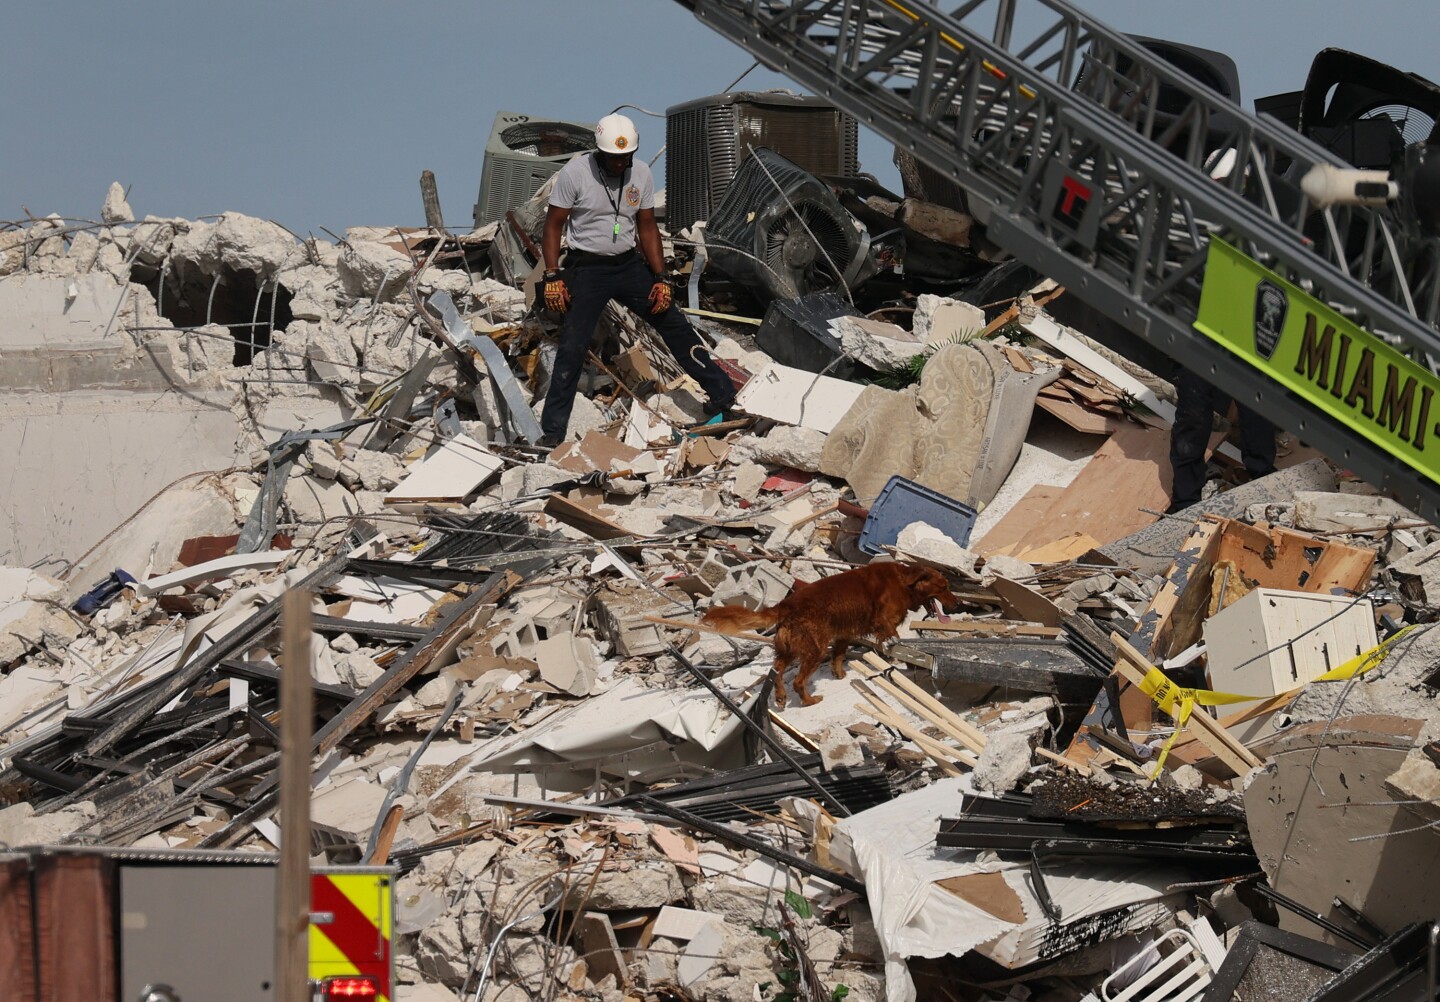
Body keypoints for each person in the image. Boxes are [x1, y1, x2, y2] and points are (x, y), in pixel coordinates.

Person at [538, 112, 736, 447]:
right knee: (572, 347)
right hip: (587, 270)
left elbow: (646, 227)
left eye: (626, 157)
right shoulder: (575, 173)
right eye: (614, 159)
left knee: (675, 326)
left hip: (628, 267)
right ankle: (552, 433)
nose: (620, 164)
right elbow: (553, 225)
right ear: (601, 153)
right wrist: (552, 274)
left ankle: (724, 398)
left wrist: (661, 278)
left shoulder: (641, 173)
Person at [1167, 365, 1277, 513]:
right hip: (1198, 346)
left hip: (1245, 348)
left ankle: (1266, 479)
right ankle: (1186, 504)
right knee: (1193, 414)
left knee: (1255, 406)